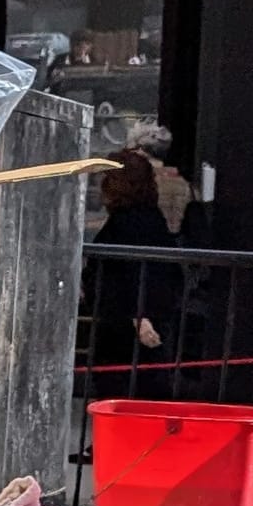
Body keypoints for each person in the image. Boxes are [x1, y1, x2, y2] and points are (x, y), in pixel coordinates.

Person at [85, 148, 185, 400]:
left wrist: (139, 314)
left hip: (127, 327)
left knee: (125, 391)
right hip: (128, 322)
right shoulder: (147, 219)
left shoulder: (131, 223)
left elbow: (138, 274)